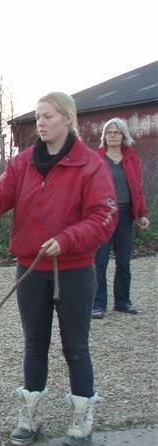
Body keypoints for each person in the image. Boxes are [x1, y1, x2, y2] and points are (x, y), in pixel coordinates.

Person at [0, 92, 117, 446]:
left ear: (67, 119)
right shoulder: (23, 164)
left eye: (48, 116)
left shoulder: (90, 165)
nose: (41, 122)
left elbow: (103, 216)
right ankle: (29, 416)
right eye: (38, 116)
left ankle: (81, 419)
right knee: (34, 345)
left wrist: (67, 239)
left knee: (75, 348)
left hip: (75, 270)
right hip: (31, 268)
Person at [91, 118, 150, 319]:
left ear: (123, 135)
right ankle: (97, 305)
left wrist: (142, 213)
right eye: (109, 132)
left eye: (117, 132)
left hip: (126, 216)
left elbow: (137, 189)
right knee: (100, 262)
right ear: (104, 136)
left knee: (124, 263)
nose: (113, 135)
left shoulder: (132, 158)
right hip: (104, 216)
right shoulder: (97, 158)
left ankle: (123, 302)